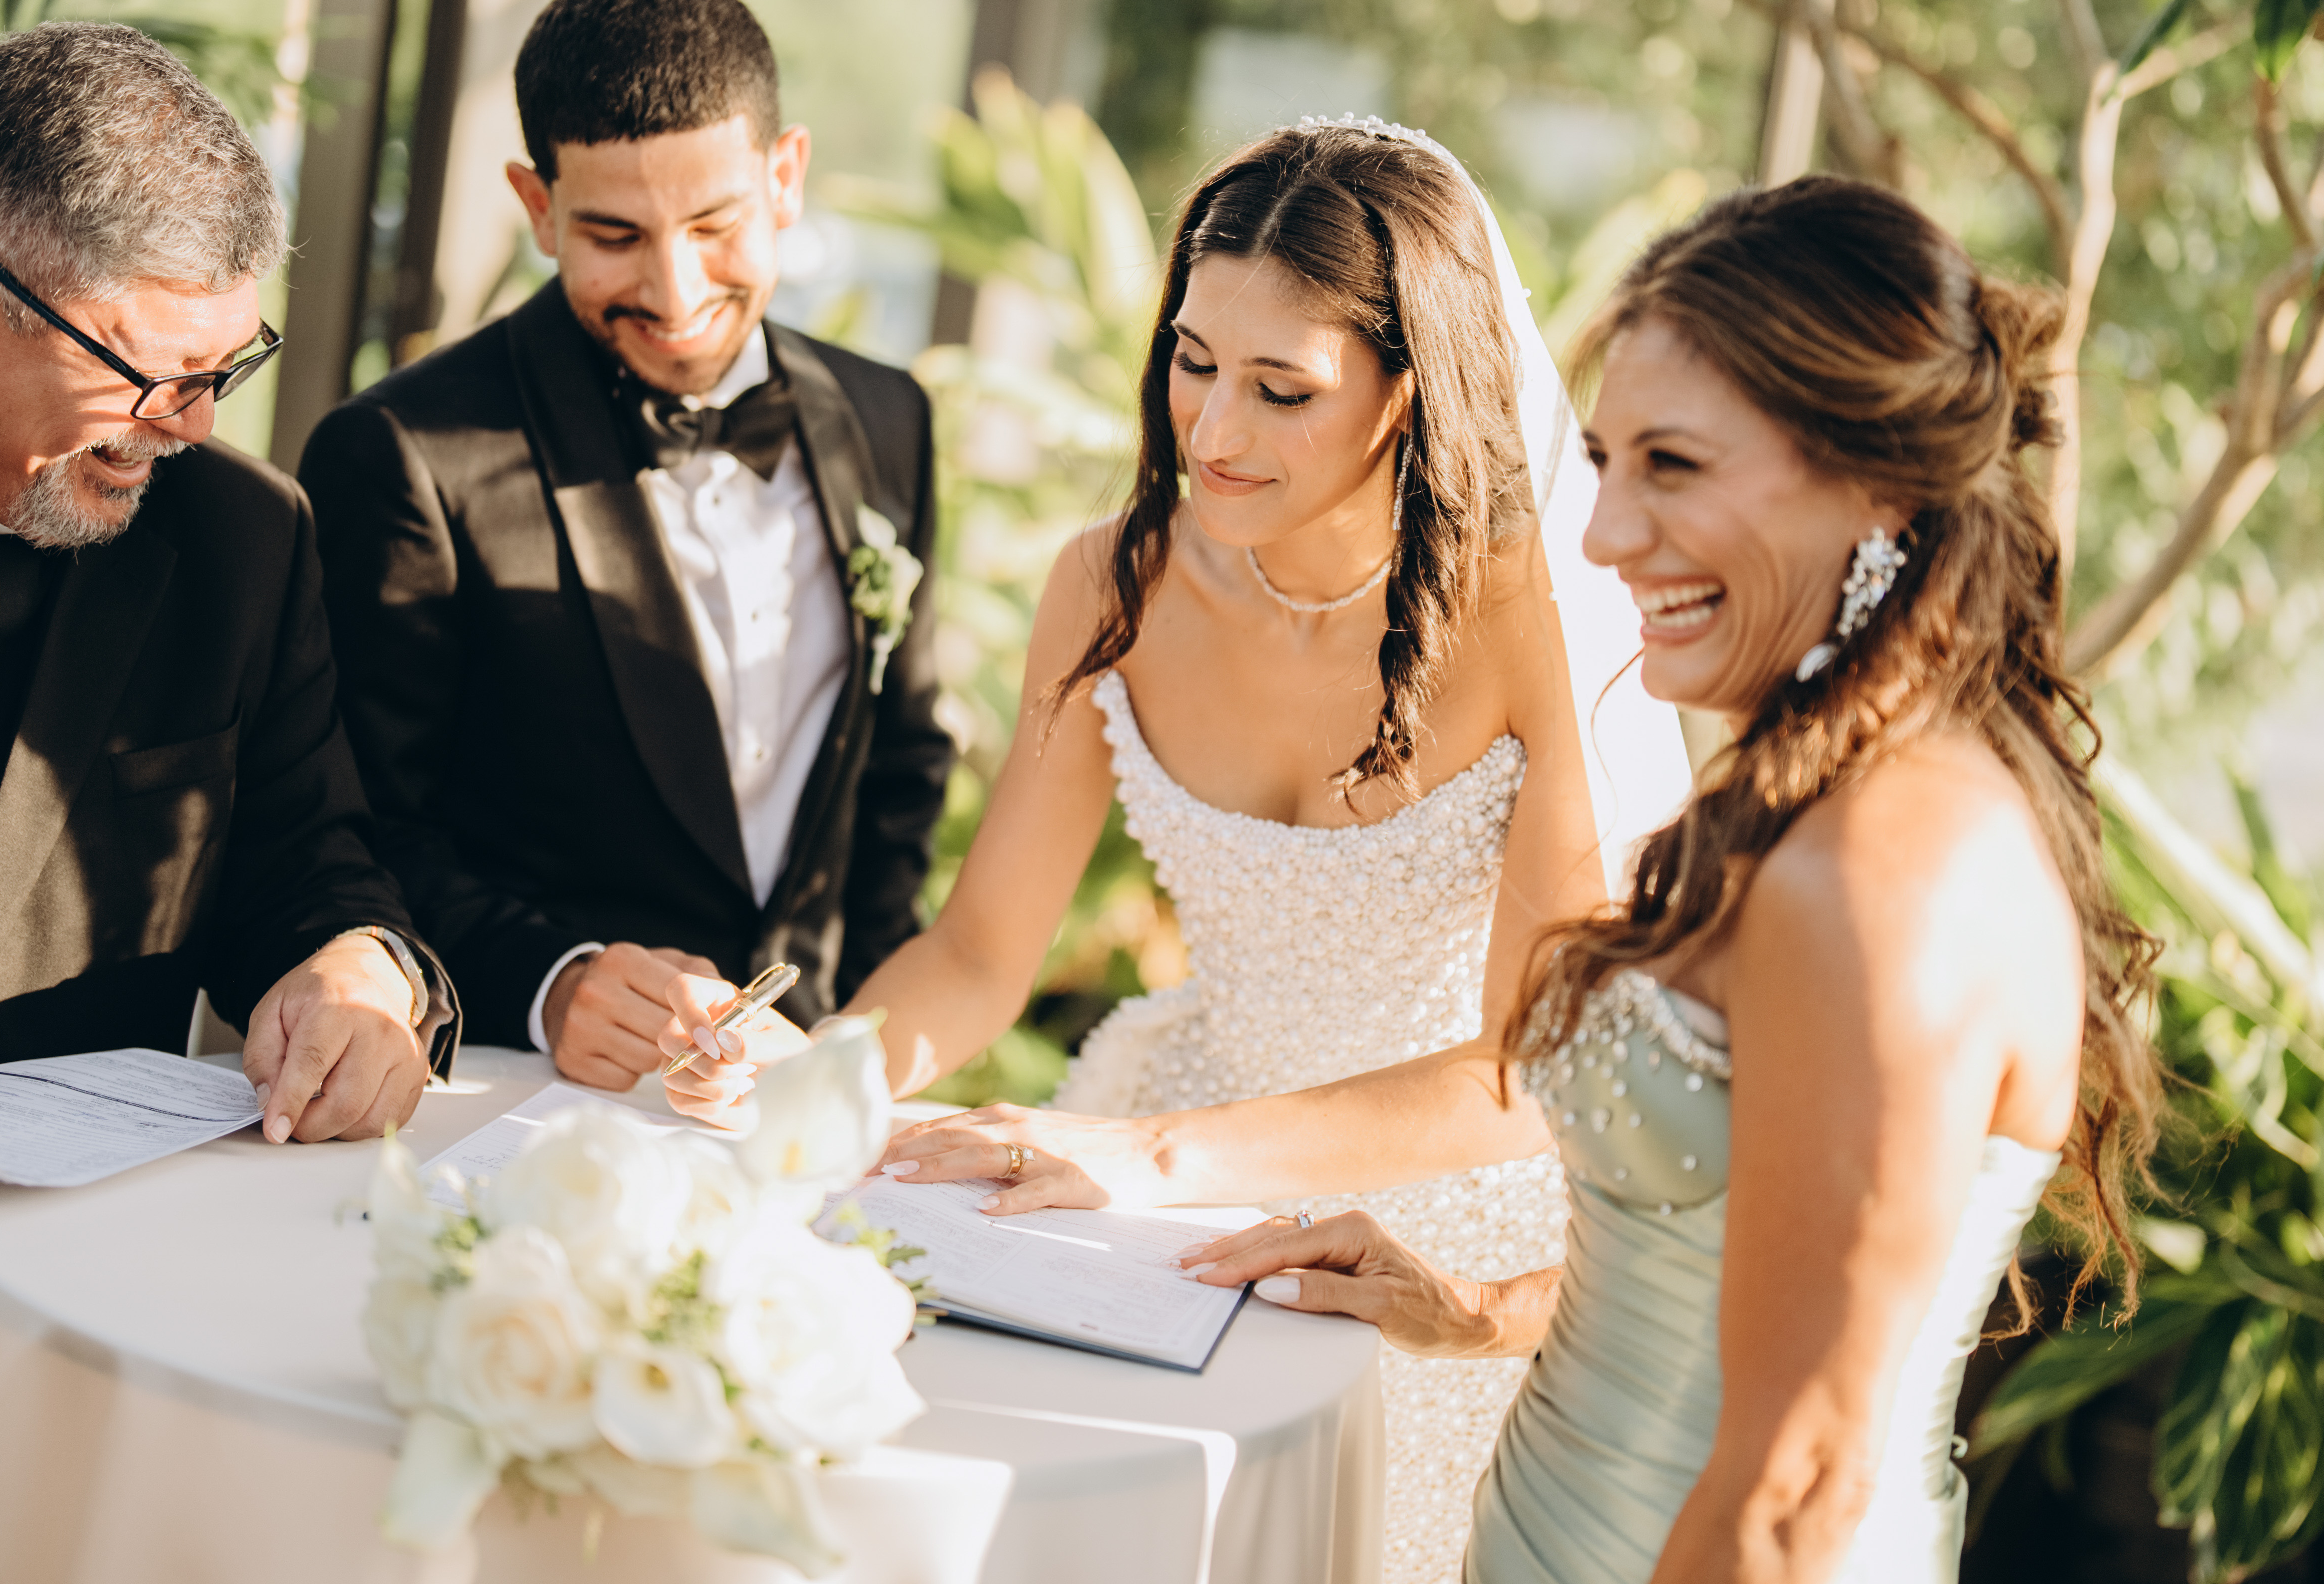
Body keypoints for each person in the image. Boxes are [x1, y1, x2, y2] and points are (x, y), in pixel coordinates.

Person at [666, 120, 1691, 1582]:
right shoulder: (1114, 581)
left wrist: (1152, 1157)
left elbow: (1527, 1070)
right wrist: (824, 1076)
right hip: (1152, 1208)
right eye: (1194, 362)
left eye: (1283, 389)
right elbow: (981, 953)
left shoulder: (1538, 615)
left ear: (1410, 389)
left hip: (1425, 1234)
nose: (1213, 431)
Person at [1179, 175, 2165, 1582]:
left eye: (1676, 467)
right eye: (1608, 461)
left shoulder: (1886, 876)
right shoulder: (1817, 795)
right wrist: (1474, 1309)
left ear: (1877, 484)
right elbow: (1735, 1266)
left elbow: (1797, 1487)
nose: (1605, 533)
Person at [0, 22, 451, 1571]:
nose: (196, 424)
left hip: (73, 1382)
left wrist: (358, 971)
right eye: (156, 374)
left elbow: (311, 865)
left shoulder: (243, 539)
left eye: (226, 369)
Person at [299, 0, 950, 1103]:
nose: (675, 288)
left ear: (785, 177)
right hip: (522, 1101)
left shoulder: (888, 416)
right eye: (613, 233)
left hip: (805, 1099)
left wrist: (859, 1057)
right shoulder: (404, 452)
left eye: (714, 225)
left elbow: (898, 778)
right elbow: (347, 830)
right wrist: (551, 982)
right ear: (538, 206)